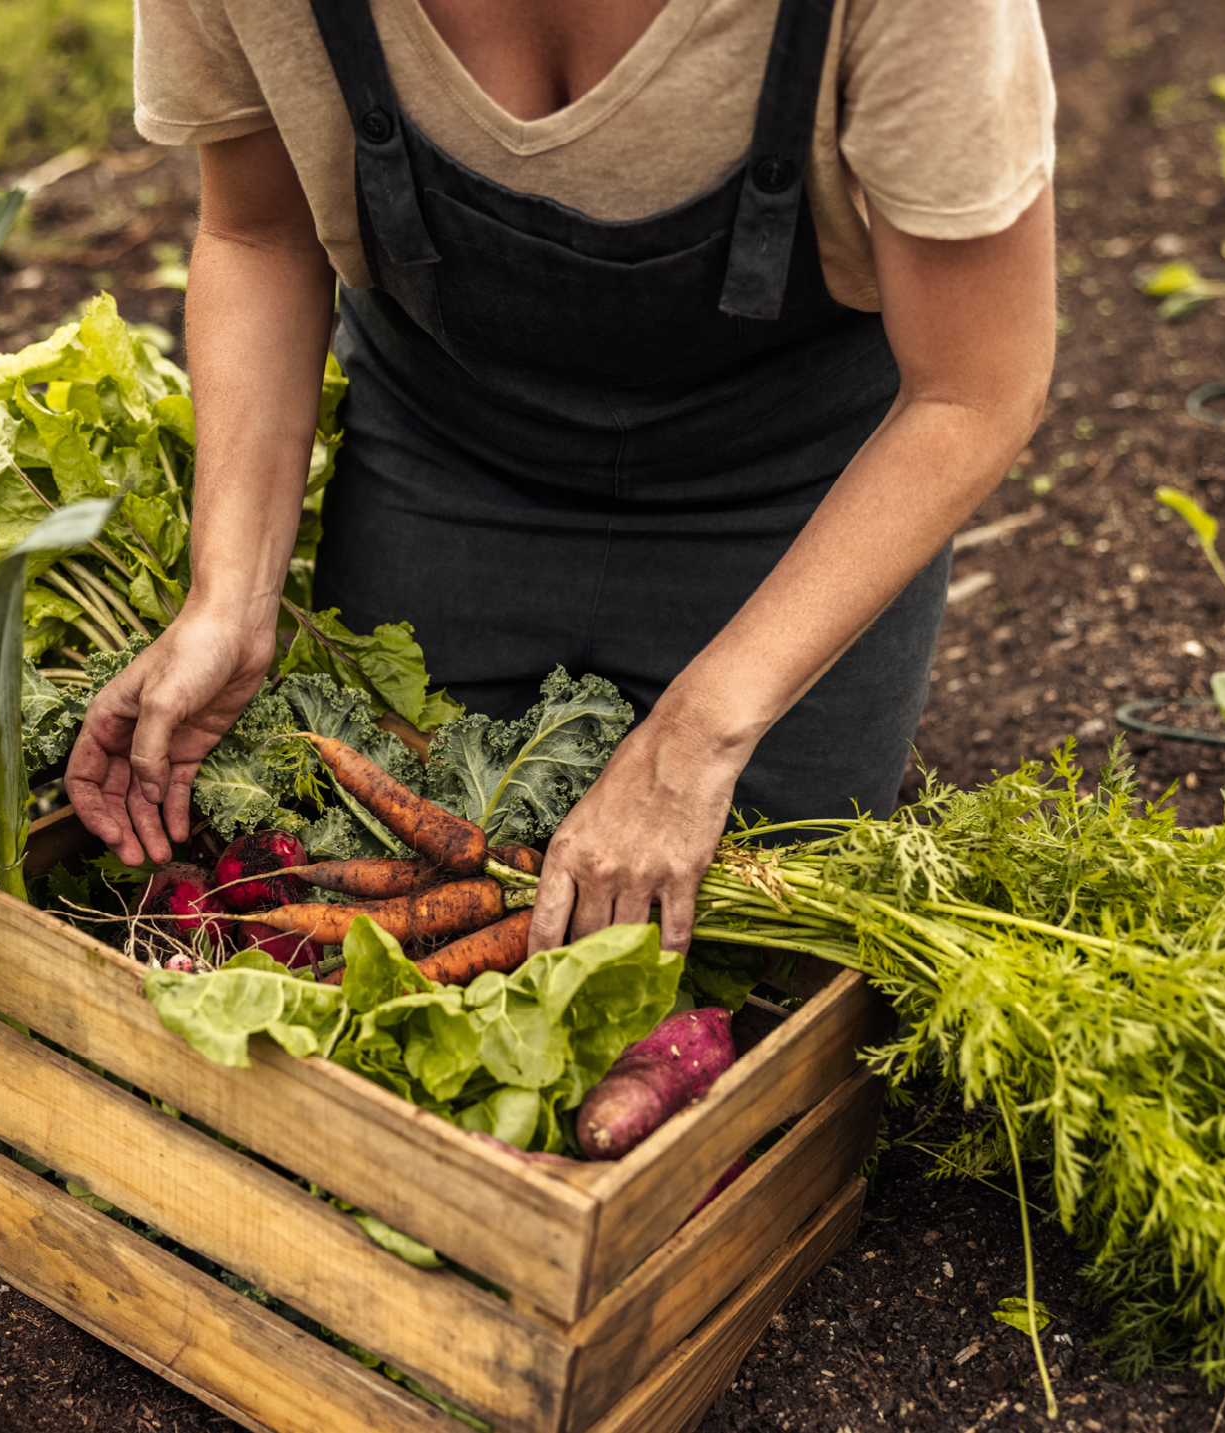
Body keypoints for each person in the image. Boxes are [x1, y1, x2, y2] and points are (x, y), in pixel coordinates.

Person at [68, 0, 1056, 958]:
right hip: (451, 454)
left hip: (793, 492)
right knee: (386, 911)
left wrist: (699, 735)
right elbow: (259, 231)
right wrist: (230, 601)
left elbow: (974, 389)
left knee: (748, 956)